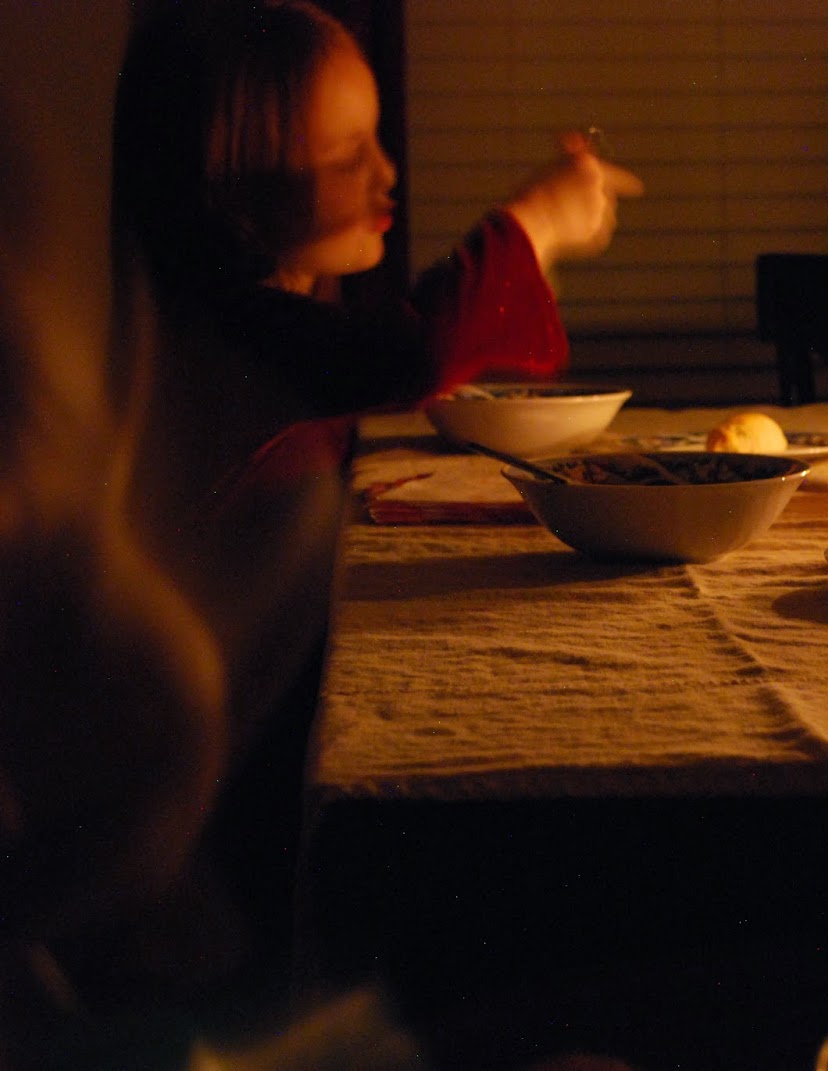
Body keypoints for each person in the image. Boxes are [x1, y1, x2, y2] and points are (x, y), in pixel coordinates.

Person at [90, 0, 643, 1014]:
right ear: (229, 189)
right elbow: (407, 354)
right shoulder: (221, 328)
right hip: (205, 801)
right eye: (350, 155)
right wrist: (533, 224)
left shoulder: (279, 307)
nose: (389, 175)